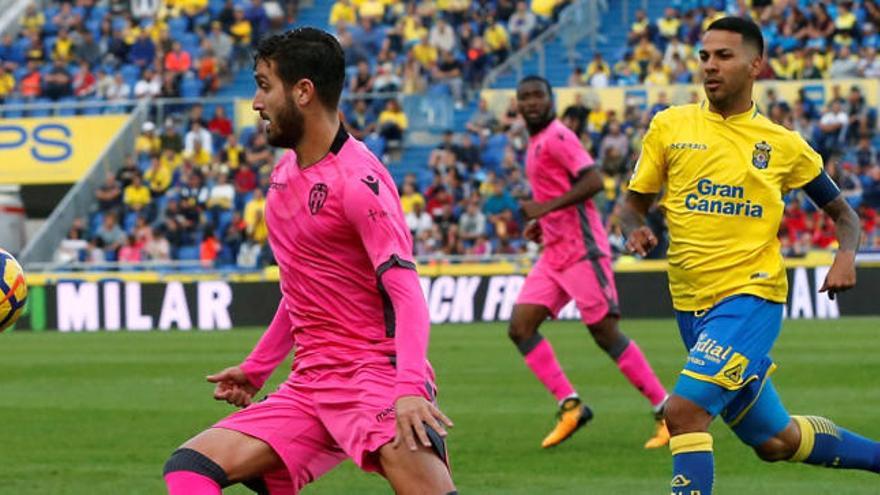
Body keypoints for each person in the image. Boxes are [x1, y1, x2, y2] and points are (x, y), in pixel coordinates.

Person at [163, 28, 457, 495]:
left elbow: (407, 296)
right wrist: (258, 368)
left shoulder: (360, 182)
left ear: (302, 91)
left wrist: (408, 389)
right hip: (312, 382)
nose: (256, 103)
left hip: (375, 378)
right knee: (189, 469)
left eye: (264, 85)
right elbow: (301, 288)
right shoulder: (284, 175)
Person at [621, 18, 880, 495]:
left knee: (683, 412)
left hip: (750, 298)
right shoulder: (670, 125)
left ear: (755, 64)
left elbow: (844, 214)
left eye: (724, 56)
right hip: (690, 308)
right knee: (776, 441)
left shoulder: (783, 145)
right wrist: (633, 232)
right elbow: (631, 208)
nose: (710, 66)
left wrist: (846, 255)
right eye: (705, 56)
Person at [510, 75, 670, 450]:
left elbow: (594, 181)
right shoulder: (534, 143)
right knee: (520, 327)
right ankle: (571, 406)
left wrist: (544, 209)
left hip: (583, 250)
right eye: (525, 97)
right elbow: (559, 191)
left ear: (550, 100)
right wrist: (543, 222)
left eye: (538, 95)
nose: (531, 102)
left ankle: (667, 412)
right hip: (554, 252)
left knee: (605, 332)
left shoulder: (558, 136)